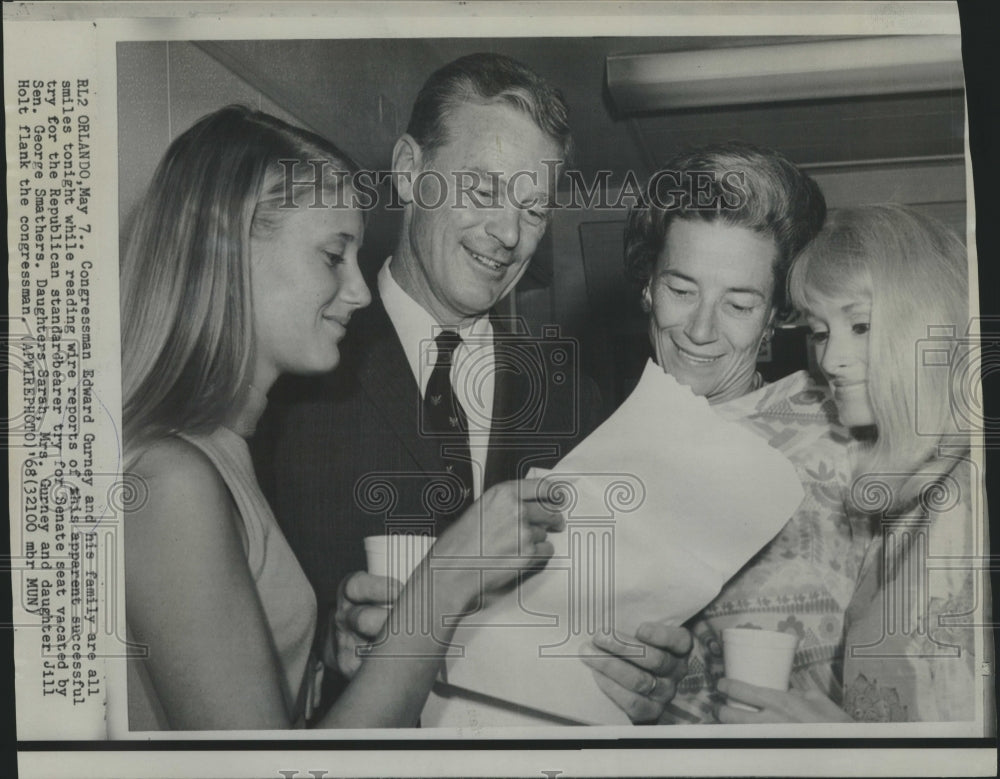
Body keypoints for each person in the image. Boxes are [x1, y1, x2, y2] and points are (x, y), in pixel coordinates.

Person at [253, 52, 692, 720]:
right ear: (409, 172)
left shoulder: (578, 398)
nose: (510, 235)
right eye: (484, 191)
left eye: (534, 210)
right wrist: (324, 650)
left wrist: (647, 674)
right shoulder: (288, 376)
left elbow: (609, 613)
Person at [122, 105, 565, 730]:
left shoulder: (222, 452)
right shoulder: (173, 479)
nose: (359, 291)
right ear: (231, 251)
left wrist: (331, 659)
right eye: (334, 256)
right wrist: (446, 578)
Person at [595, 142, 874, 725]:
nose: (700, 329)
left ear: (776, 315)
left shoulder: (842, 432)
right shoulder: (599, 459)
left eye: (739, 304)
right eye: (681, 289)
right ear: (647, 285)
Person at [716, 204, 985, 723]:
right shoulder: (914, 502)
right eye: (820, 332)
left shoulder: (975, 488)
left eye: (860, 325)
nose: (831, 360)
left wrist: (840, 749)